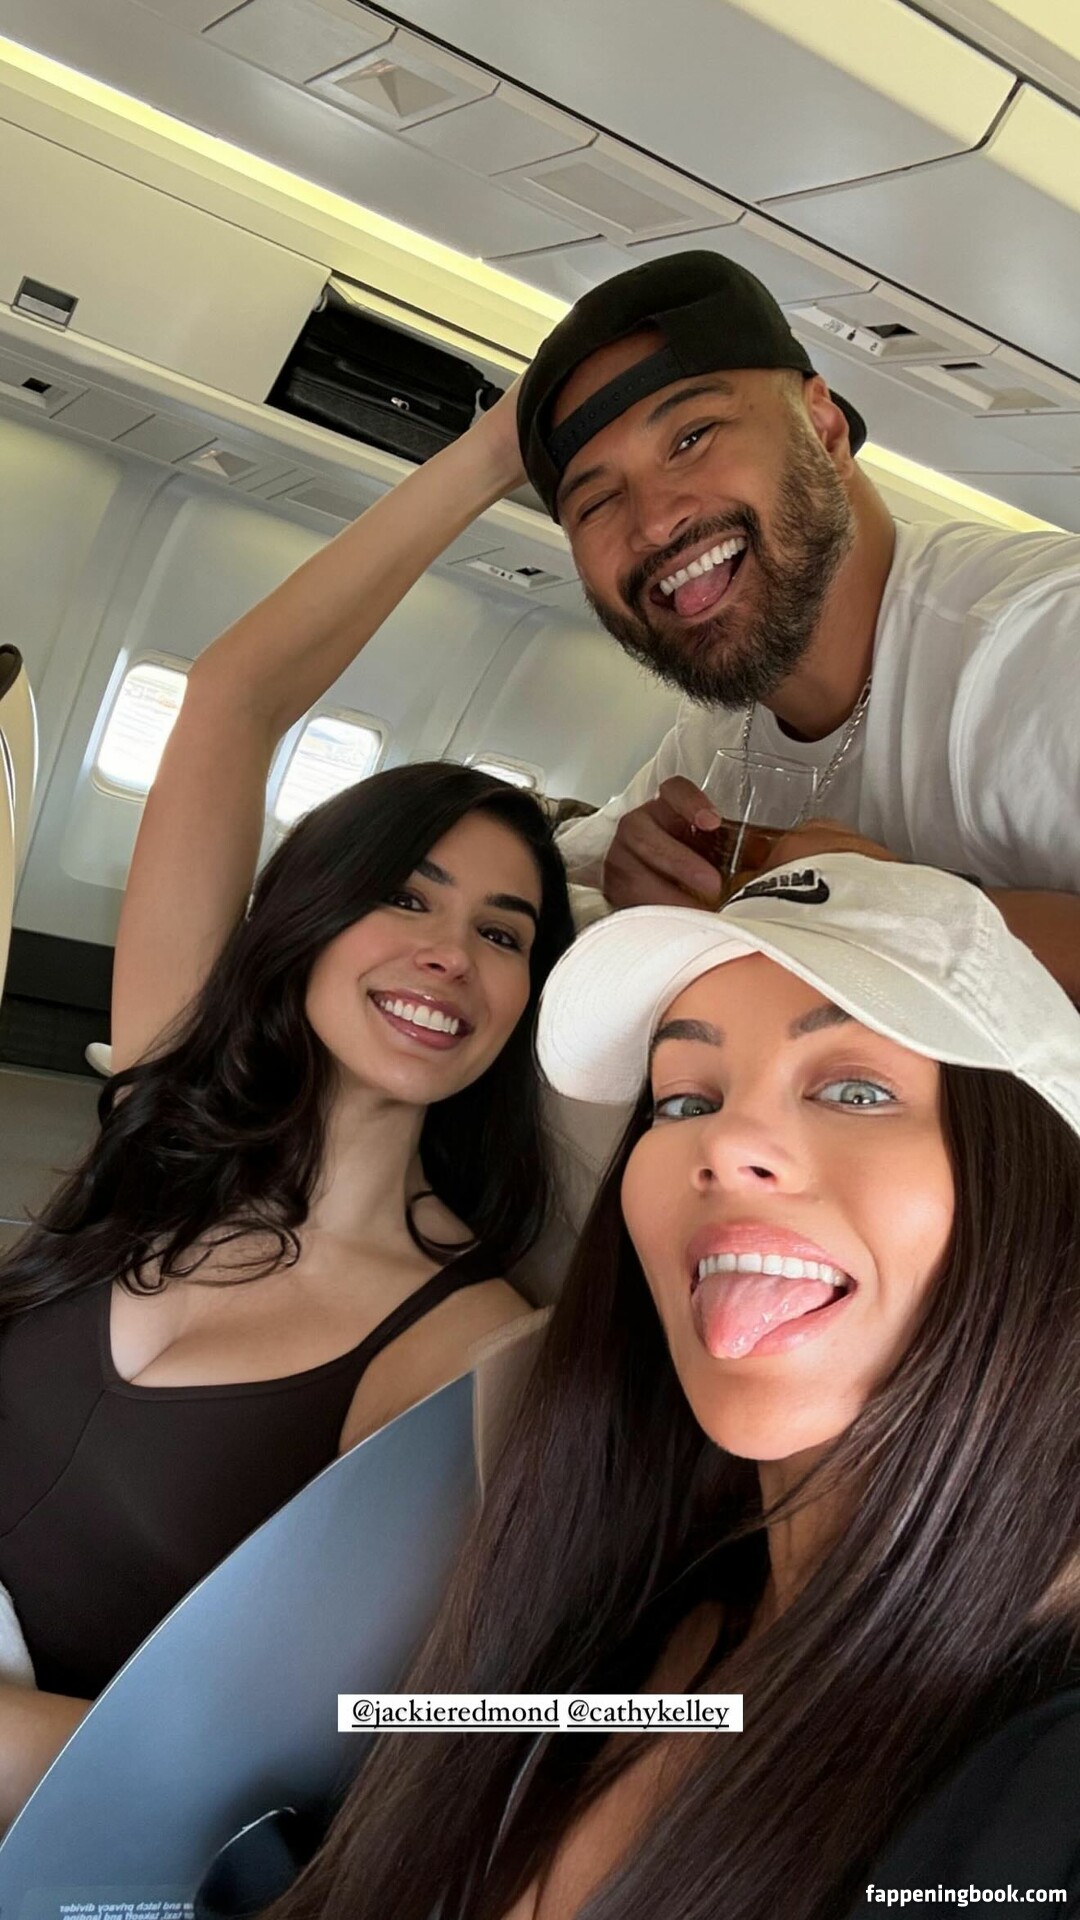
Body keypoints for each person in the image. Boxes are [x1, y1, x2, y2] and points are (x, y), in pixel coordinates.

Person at [238, 854, 1080, 1919]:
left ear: (1036, 1189)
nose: (722, 1144)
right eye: (685, 1099)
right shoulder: (645, 1613)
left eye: (857, 1090)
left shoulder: (1043, 1778)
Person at [0, 398, 575, 1821]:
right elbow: (232, 697)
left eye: (504, 933)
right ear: (310, 920)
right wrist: (499, 449)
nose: (451, 954)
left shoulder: (464, 1347)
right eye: (407, 899)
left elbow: (305, 1771)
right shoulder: (169, 1110)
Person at [513, 251, 1080, 1000]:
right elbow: (548, 871)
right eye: (596, 502)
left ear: (825, 430)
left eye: (691, 438)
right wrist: (635, 864)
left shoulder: (1042, 643)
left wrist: (896, 914)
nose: (653, 523)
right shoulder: (712, 745)